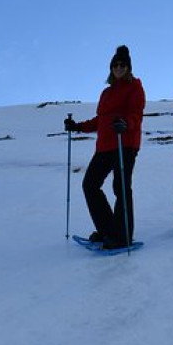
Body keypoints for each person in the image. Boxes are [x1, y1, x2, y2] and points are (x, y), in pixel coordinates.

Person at [65, 45, 145, 250]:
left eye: (123, 65)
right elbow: (100, 121)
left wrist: (126, 124)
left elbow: (136, 113)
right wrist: (78, 127)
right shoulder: (106, 92)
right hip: (104, 146)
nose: (119, 68)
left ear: (128, 68)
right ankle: (108, 230)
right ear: (111, 68)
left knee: (121, 187)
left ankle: (123, 236)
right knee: (90, 185)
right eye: (115, 65)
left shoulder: (135, 87)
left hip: (124, 143)